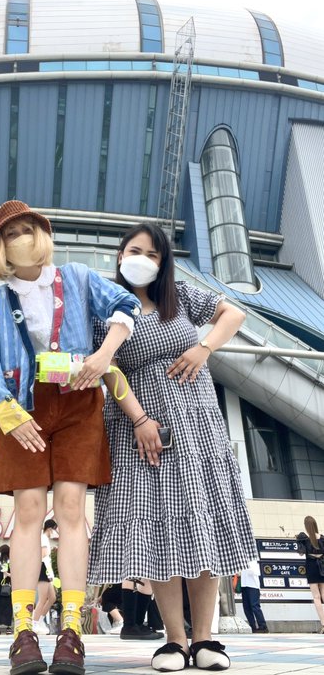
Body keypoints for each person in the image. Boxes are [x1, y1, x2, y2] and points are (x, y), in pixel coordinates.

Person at [0, 199, 140, 675]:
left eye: (28, 228)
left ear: (43, 234)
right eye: (10, 234)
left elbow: (125, 306)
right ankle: (23, 631)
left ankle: (72, 628)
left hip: (79, 402)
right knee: (27, 511)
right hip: (22, 408)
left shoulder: (79, 277)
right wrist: (8, 411)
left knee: (70, 509)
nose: (21, 238)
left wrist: (102, 356)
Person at [88, 222, 257, 672]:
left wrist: (204, 348)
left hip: (198, 420)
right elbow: (109, 369)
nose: (142, 259)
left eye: (152, 253)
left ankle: (205, 639)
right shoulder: (106, 306)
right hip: (141, 426)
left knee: (203, 520)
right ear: (119, 256)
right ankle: (174, 640)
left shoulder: (179, 296)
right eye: (133, 250)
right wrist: (140, 419)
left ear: (163, 262)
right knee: (158, 526)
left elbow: (234, 313)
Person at [296, 516, 324, 633]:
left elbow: (300, 553)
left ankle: (323, 623)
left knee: (316, 597)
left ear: (306, 526)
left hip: (312, 567)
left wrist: (298, 540)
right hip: (322, 566)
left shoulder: (305, 539)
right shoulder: (322, 538)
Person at [33, 519, 58, 635]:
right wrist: (49, 573)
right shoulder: (43, 538)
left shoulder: (45, 539)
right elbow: (43, 555)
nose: (55, 532)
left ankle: (40, 620)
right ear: (50, 528)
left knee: (52, 597)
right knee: (42, 599)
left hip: (46, 570)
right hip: (43, 569)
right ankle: (35, 622)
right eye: (54, 529)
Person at [240, 560, 268, 633]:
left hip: (253, 586)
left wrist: (244, 567)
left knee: (255, 606)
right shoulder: (241, 561)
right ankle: (253, 627)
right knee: (246, 607)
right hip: (244, 585)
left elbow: (256, 572)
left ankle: (263, 626)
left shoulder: (252, 560)